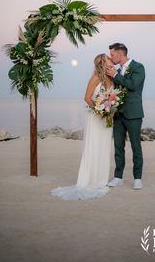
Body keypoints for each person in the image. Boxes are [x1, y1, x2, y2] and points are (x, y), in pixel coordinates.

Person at [51, 54, 114, 200]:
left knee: (104, 147)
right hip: (96, 118)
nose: (111, 60)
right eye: (108, 59)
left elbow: (112, 97)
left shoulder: (111, 77)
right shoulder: (96, 78)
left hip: (107, 118)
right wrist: (98, 110)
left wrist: (110, 110)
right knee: (94, 146)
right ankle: (90, 180)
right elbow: (87, 97)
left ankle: (101, 179)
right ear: (103, 63)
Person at [106, 43, 145, 190]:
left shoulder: (138, 67)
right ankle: (118, 177)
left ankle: (137, 178)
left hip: (133, 114)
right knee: (118, 146)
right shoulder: (116, 70)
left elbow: (133, 85)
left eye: (112, 55)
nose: (111, 57)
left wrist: (116, 76)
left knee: (136, 146)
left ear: (120, 54)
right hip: (118, 114)